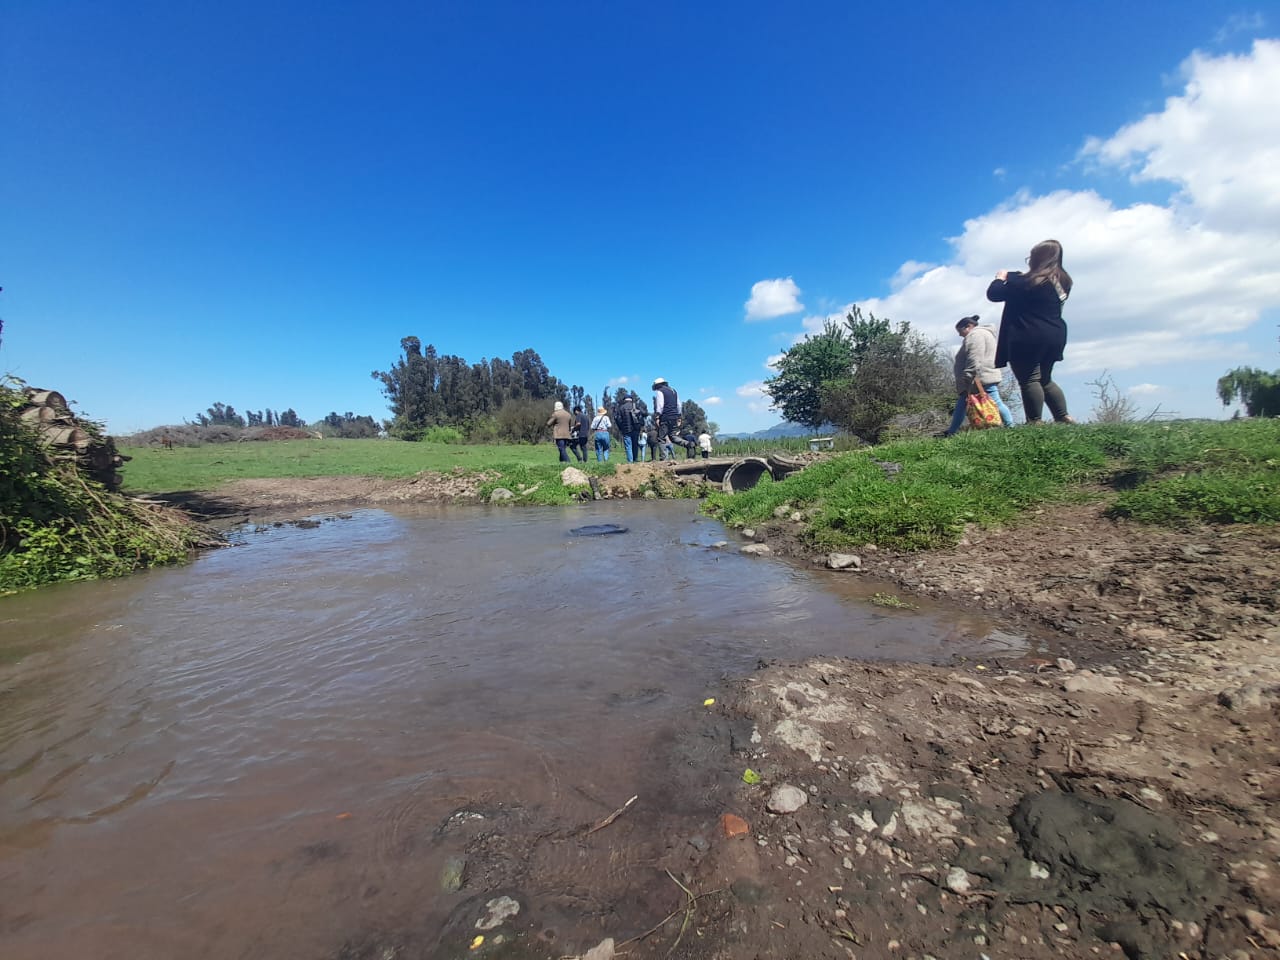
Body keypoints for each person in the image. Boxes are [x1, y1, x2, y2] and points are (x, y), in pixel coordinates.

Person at [987, 239, 1076, 424]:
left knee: (1029, 379)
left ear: (1036, 259)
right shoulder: (1063, 282)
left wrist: (1000, 277)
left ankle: (1034, 421)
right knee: (1045, 379)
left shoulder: (1026, 282)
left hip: (1027, 335)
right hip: (1055, 334)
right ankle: (1063, 416)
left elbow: (994, 294)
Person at [942, 315, 1014, 436]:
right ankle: (952, 431)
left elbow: (975, 355)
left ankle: (1011, 426)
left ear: (969, 326)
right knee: (962, 404)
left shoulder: (975, 335)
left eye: (960, 331)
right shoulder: (985, 334)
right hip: (981, 376)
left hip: (979, 378)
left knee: (995, 401)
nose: (960, 335)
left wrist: (969, 373)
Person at [651, 378, 681, 455]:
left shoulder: (660, 391)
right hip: (674, 416)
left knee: (661, 438)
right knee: (672, 436)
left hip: (665, 417)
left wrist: (657, 417)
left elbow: (660, 405)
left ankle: (664, 458)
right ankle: (688, 444)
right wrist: (679, 416)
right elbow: (679, 405)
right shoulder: (674, 391)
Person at [614, 392, 643, 462]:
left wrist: (621, 428)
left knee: (628, 446)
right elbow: (642, 417)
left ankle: (630, 462)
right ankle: (635, 459)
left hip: (626, 430)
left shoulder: (621, 408)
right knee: (635, 445)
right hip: (636, 429)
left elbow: (618, 419)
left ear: (625, 400)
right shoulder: (636, 407)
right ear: (631, 400)